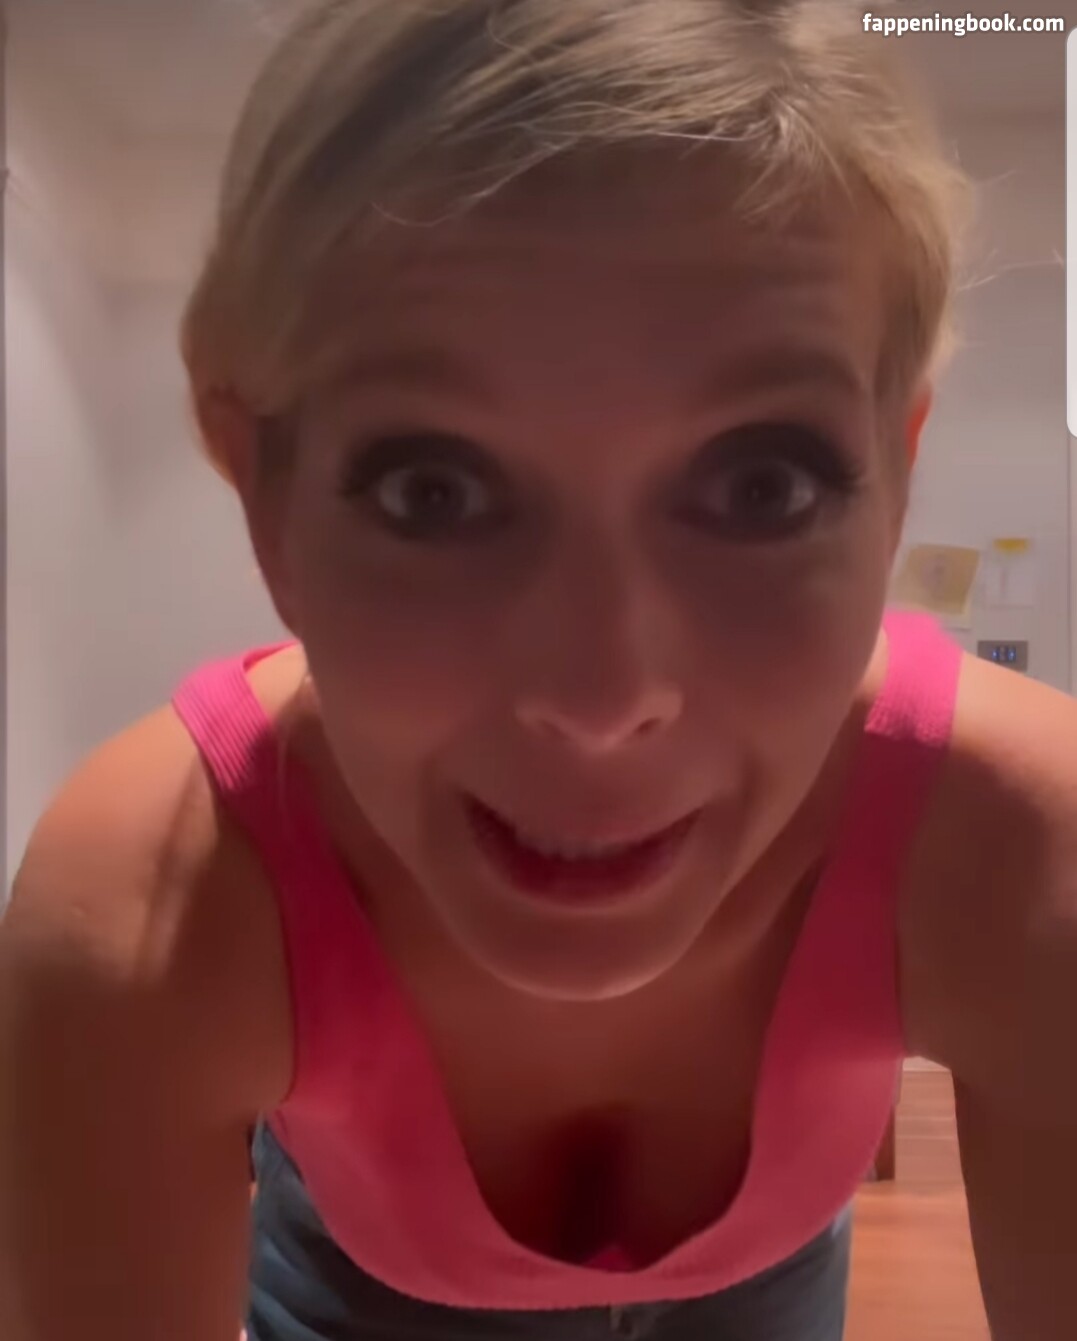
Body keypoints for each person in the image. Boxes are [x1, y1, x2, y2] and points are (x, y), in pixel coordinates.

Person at [1, 1, 1074, 1338]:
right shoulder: (154, 898)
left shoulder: (1025, 847)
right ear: (262, 490)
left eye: (763, 484)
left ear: (896, 478)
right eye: (434, 491)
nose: (600, 698)